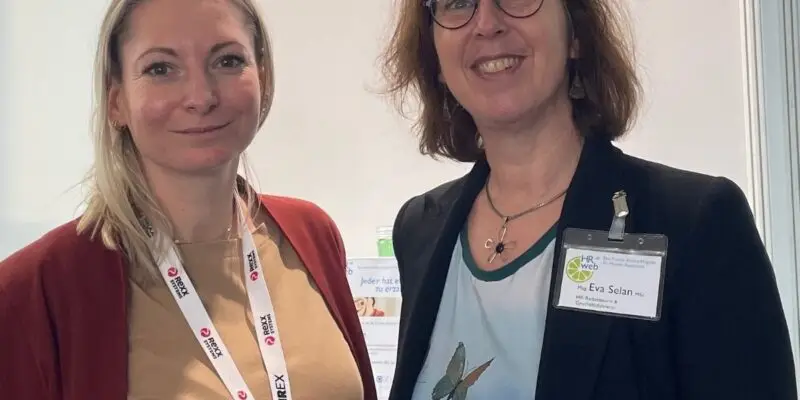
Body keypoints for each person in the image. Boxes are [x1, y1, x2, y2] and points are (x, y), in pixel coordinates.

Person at [379, 0, 797, 399]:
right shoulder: (420, 229)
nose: (487, 24)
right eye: (457, 2)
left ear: (575, 34)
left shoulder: (695, 224)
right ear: (435, 55)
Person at [0, 0, 377, 399]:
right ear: (116, 100)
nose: (201, 96)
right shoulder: (33, 291)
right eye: (160, 69)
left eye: (228, 61)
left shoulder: (311, 235)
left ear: (262, 78)